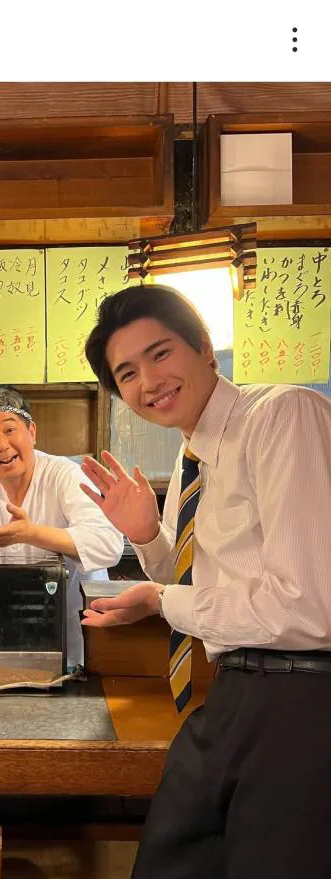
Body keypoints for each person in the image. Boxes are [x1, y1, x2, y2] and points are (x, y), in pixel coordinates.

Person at [81, 283, 331, 878]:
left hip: (300, 698)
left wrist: (161, 600)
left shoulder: (283, 415)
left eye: (160, 353)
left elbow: (309, 608)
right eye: (127, 373)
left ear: (203, 345)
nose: (149, 381)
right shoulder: (192, 456)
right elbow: (198, 577)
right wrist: (148, 537)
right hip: (231, 693)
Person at [0, 385, 124, 670]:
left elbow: (108, 546)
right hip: (6, 637)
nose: (1, 445)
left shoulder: (65, 475)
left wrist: (29, 533)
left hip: (75, 634)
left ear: (32, 432)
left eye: (10, 430)